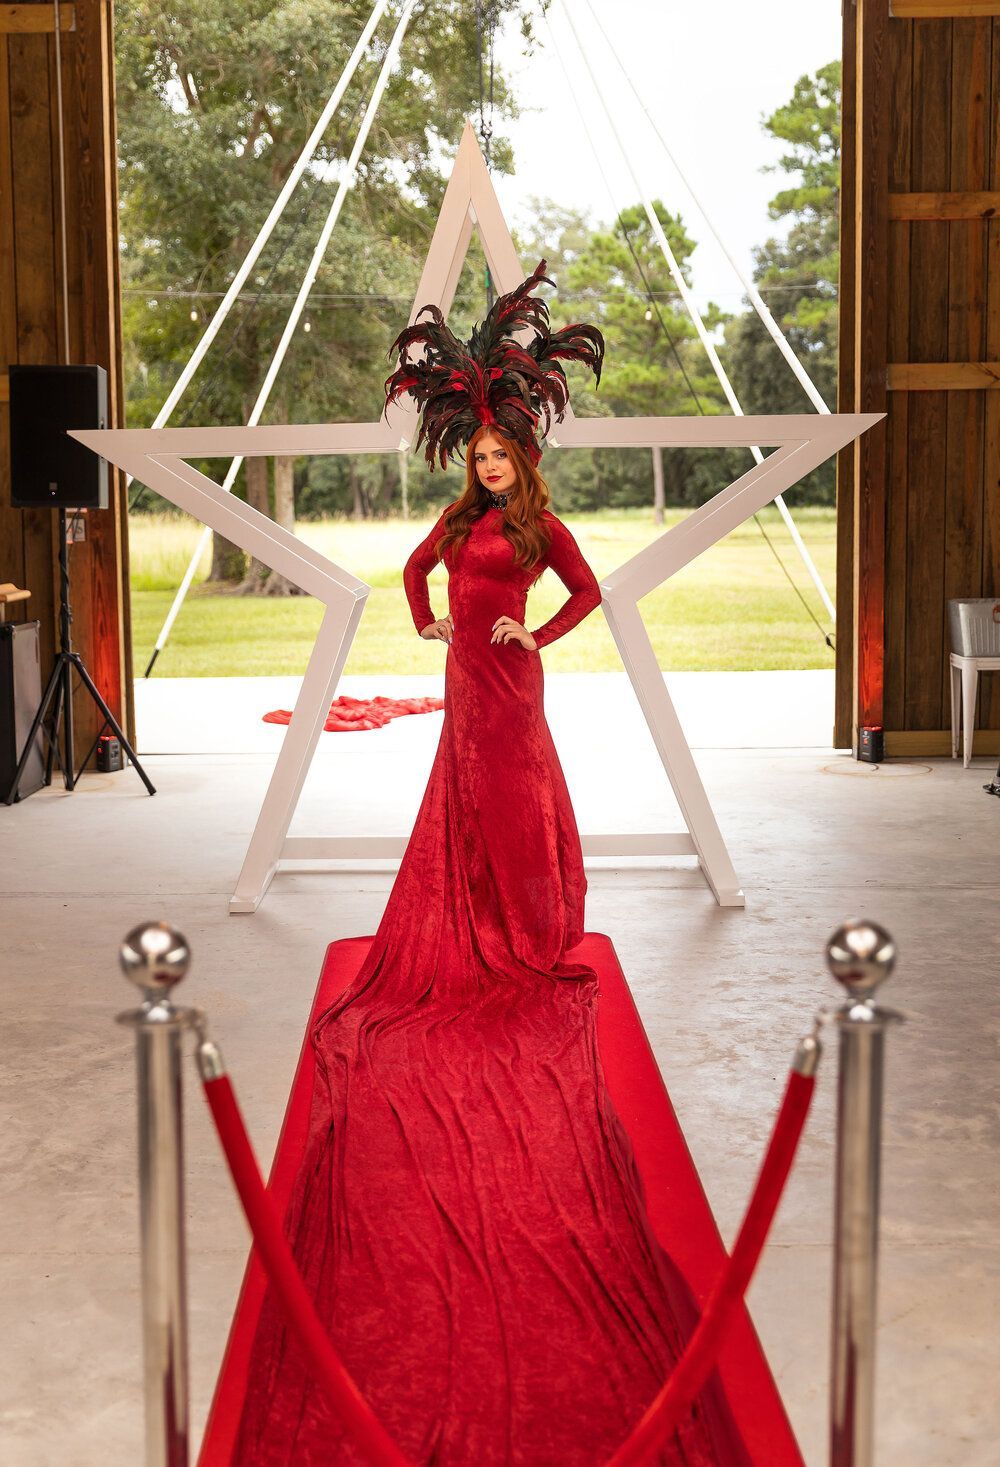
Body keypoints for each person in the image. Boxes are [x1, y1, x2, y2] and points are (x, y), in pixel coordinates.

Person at [233, 262, 746, 1465]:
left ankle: (529, 928)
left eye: (500, 461)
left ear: (523, 458)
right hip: (463, 686)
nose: (487, 474)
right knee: (464, 805)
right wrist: (429, 622)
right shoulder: (461, 526)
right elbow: (407, 578)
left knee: (517, 805)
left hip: (514, 685)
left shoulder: (535, 528)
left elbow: (589, 593)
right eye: (478, 463)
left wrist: (532, 627)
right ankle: (478, 927)